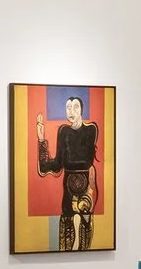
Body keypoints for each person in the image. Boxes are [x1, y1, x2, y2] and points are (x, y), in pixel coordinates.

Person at [35, 93, 101, 250]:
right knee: (66, 233)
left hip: (87, 188)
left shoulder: (91, 130)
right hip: (68, 190)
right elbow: (56, 165)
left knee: (85, 230)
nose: (71, 111)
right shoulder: (63, 132)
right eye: (68, 107)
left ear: (82, 110)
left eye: (76, 107)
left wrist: (92, 183)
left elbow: (92, 159)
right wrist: (41, 140)